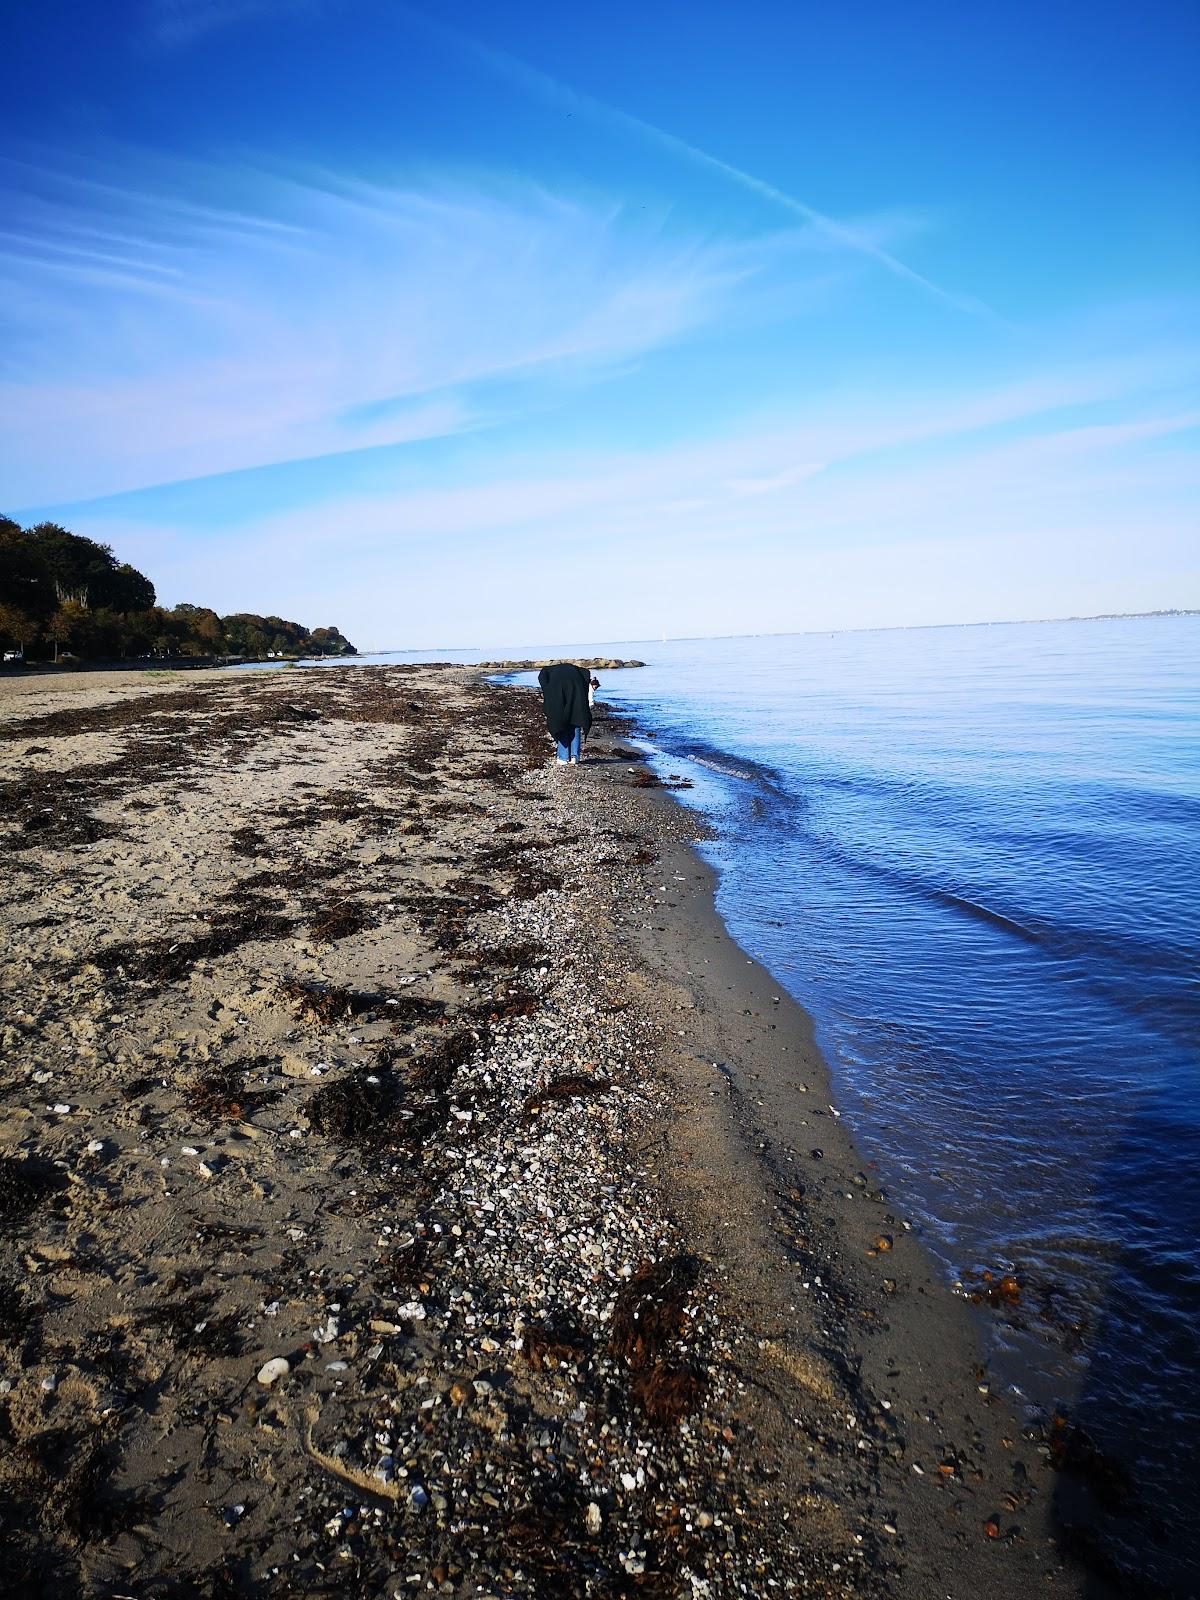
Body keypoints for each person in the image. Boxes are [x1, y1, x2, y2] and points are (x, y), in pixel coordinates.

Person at [538, 661, 592, 766]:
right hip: (576, 693)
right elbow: (586, 674)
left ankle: (563, 757)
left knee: (560, 723)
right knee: (575, 722)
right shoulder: (577, 671)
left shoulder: (548, 672)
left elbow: (543, 681)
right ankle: (574, 757)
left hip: (558, 693)